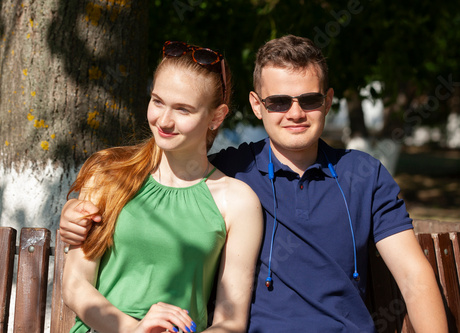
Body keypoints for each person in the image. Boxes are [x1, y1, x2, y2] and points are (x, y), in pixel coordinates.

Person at [60, 35, 447, 332]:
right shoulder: (236, 169)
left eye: (309, 100)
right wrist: (73, 208)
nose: (295, 113)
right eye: (278, 102)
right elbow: (168, 172)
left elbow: (414, 277)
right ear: (257, 105)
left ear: (328, 101)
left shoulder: (363, 174)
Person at [61, 40, 263, 333]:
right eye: (157, 101)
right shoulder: (108, 175)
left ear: (216, 117)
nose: (164, 121)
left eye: (183, 109)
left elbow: (230, 322)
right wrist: (134, 330)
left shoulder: (238, 201)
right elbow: (75, 285)